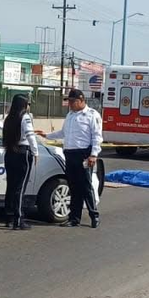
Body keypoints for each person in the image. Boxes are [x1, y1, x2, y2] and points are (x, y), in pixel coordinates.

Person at [37, 89, 103, 228]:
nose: (70, 104)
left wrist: (94, 154)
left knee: (86, 186)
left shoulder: (92, 115)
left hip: (84, 154)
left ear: (81, 100)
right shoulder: (70, 115)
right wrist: (47, 135)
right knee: (73, 187)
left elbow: (97, 137)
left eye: (72, 101)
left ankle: (94, 215)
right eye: (69, 101)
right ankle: (74, 218)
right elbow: (63, 133)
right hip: (70, 153)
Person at [1, 94, 38, 230]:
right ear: (23, 105)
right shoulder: (25, 117)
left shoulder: (8, 118)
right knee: (20, 188)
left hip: (10, 152)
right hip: (22, 152)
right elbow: (30, 135)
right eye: (28, 104)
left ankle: (9, 217)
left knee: (11, 186)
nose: (29, 107)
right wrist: (36, 152)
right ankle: (18, 219)